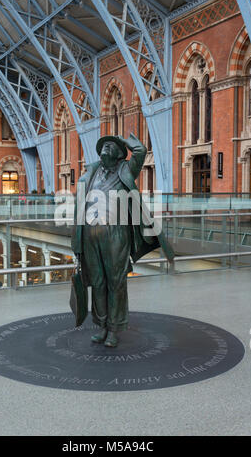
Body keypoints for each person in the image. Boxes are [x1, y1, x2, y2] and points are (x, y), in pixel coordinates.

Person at [71, 133, 174, 347]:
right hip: (90, 237)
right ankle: (102, 326)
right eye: (105, 145)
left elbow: (140, 151)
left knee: (116, 283)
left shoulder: (125, 169)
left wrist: (124, 140)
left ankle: (114, 329)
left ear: (119, 154)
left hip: (116, 235)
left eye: (112, 146)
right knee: (98, 283)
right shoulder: (90, 173)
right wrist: (77, 243)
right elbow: (78, 209)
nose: (107, 148)